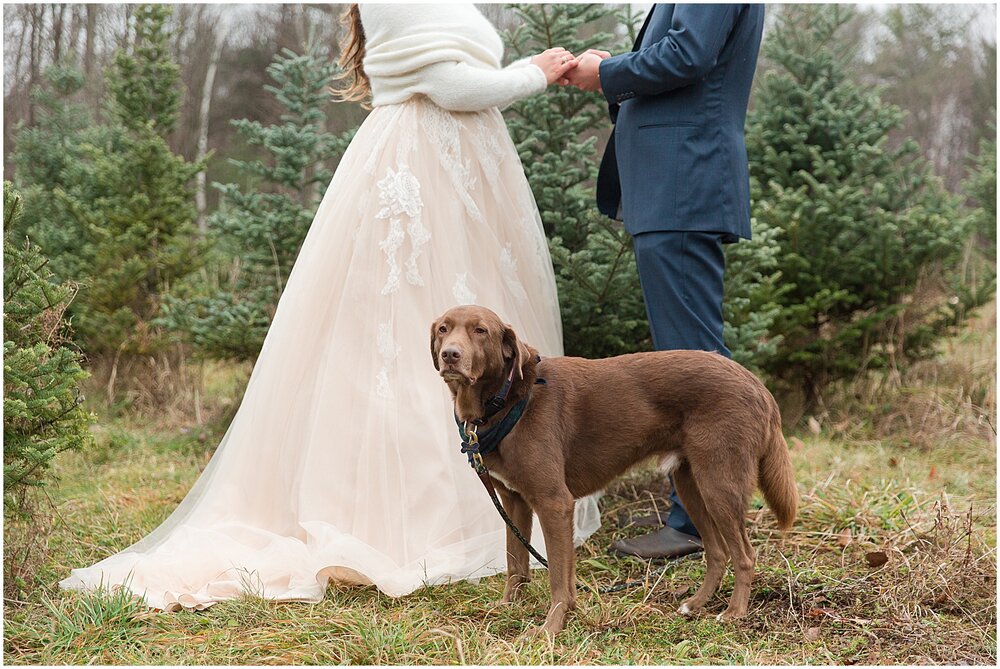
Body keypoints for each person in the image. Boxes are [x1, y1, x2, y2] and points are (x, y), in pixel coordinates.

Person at [60, 3, 602, 611]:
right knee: (398, 330)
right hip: (423, 172)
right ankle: (403, 520)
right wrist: (537, 70)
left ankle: (501, 480)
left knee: (477, 325)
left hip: (467, 170)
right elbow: (449, 85)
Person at [562, 4, 765, 559]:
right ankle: (700, 519)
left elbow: (689, 54)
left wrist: (604, 74)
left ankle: (700, 525)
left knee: (693, 357)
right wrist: (617, 67)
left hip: (683, 178)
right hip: (676, 181)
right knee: (689, 353)